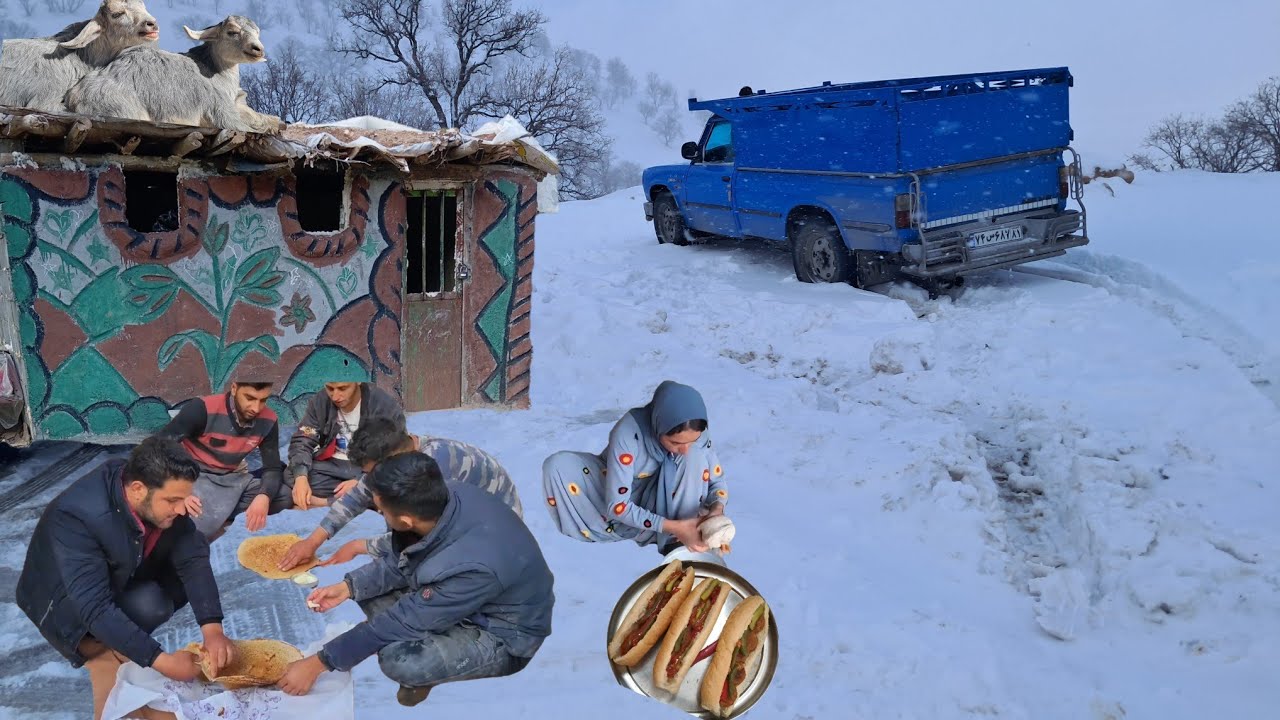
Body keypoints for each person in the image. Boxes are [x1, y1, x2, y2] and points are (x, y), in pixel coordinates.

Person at [277, 453, 554, 707]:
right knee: (369, 591)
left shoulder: (473, 566)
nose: (381, 516)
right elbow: (408, 556)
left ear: (407, 520)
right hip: (463, 593)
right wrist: (348, 587)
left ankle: (433, 665)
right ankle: (405, 628)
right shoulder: (446, 496)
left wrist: (317, 663)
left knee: (399, 661)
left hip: (505, 633)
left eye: (382, 512)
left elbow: (403, 616)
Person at [15, 435, 236, 720]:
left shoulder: (147, 485)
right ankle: (100, 645)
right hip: (62, 607)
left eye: (185, 498)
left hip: (118, 571)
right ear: (137, 490)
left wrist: (212, 629)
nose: (183, 509)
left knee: (176, 574)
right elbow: (94, 607)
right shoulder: (77, 517)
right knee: (116, 671)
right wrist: (163, 662)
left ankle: (122, 638)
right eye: (173, 500)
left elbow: (192, 556)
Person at [276, 415, 524, 572]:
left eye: (372, 472)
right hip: (462, 514)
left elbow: (429, 537)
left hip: (496, 534)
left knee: (414, 570)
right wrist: (312, 542)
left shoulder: (435, 470)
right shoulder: (402, 456)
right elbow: (356, 496)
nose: (368, 480)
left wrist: (359, 546)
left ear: (391, 460)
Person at [541, 380, 729, 554]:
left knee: (695, 456)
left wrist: (717, 509)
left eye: (692, 441)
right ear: (658, 425)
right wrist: (673, 526)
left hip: (676, 497)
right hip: (626, 490)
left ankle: (681, 539)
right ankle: (674, 531)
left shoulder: (696, 433)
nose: (684, 449)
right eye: (675, 442)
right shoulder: (629, 434)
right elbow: (618, 506)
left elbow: (716, 482)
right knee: (557, 466)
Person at [158, 381, 289, 541]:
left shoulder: (268, 420)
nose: (256, 408)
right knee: (196, 533)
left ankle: (218, 512)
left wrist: (264, 496)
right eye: (250, 398)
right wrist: (178, 492)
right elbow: (159, 448)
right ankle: (214, 513)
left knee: (283, 497)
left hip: (232, 478)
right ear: (234, 389)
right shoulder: (202, 409)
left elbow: (273, 468)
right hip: (194, 477)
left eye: (263, 400)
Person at [286, 376, 404, 509]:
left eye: (342, 388)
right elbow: (303, 439)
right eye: (330, 388)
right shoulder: (320, 401)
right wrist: (301, 477)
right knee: (293, 473)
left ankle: (325, 502)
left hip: (369, 466)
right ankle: (356, 498)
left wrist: (362, 480)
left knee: (396, 482)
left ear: (358, 381)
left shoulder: (382, 404)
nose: (335, 396)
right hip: (333, 465)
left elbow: (396, 451)